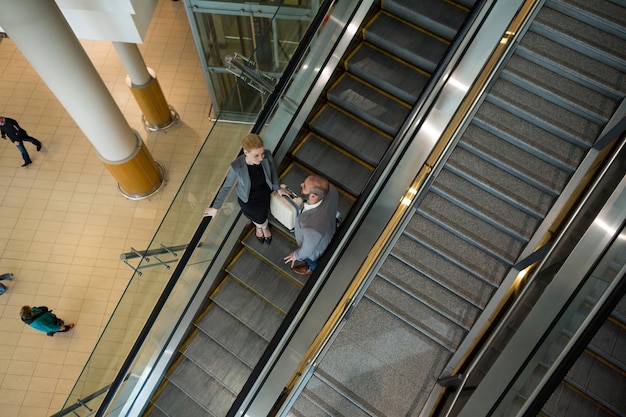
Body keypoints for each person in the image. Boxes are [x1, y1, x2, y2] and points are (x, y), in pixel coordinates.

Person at [204, 133, 290, 244]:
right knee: (260, 219)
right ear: (245, 152)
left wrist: (277, 188)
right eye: (256, 155)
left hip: (263, 194)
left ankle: (261, 227)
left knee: (262, 216)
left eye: (262, 154)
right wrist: (215, 208)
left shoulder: (267, 155)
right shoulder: (236, 167)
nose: (261, 158)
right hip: (249, 200)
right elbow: (226, 187)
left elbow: (273, 171)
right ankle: (263, 227)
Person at [284, 174, 338, 275]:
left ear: (313, 196)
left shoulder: (312, 228)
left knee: (312, 259)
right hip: (329, 228)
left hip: (316, 249)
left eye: (304, 186)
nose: (301, 184)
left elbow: (307, 250)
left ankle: (312, 269)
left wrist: (296, 255)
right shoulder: (331, 190)